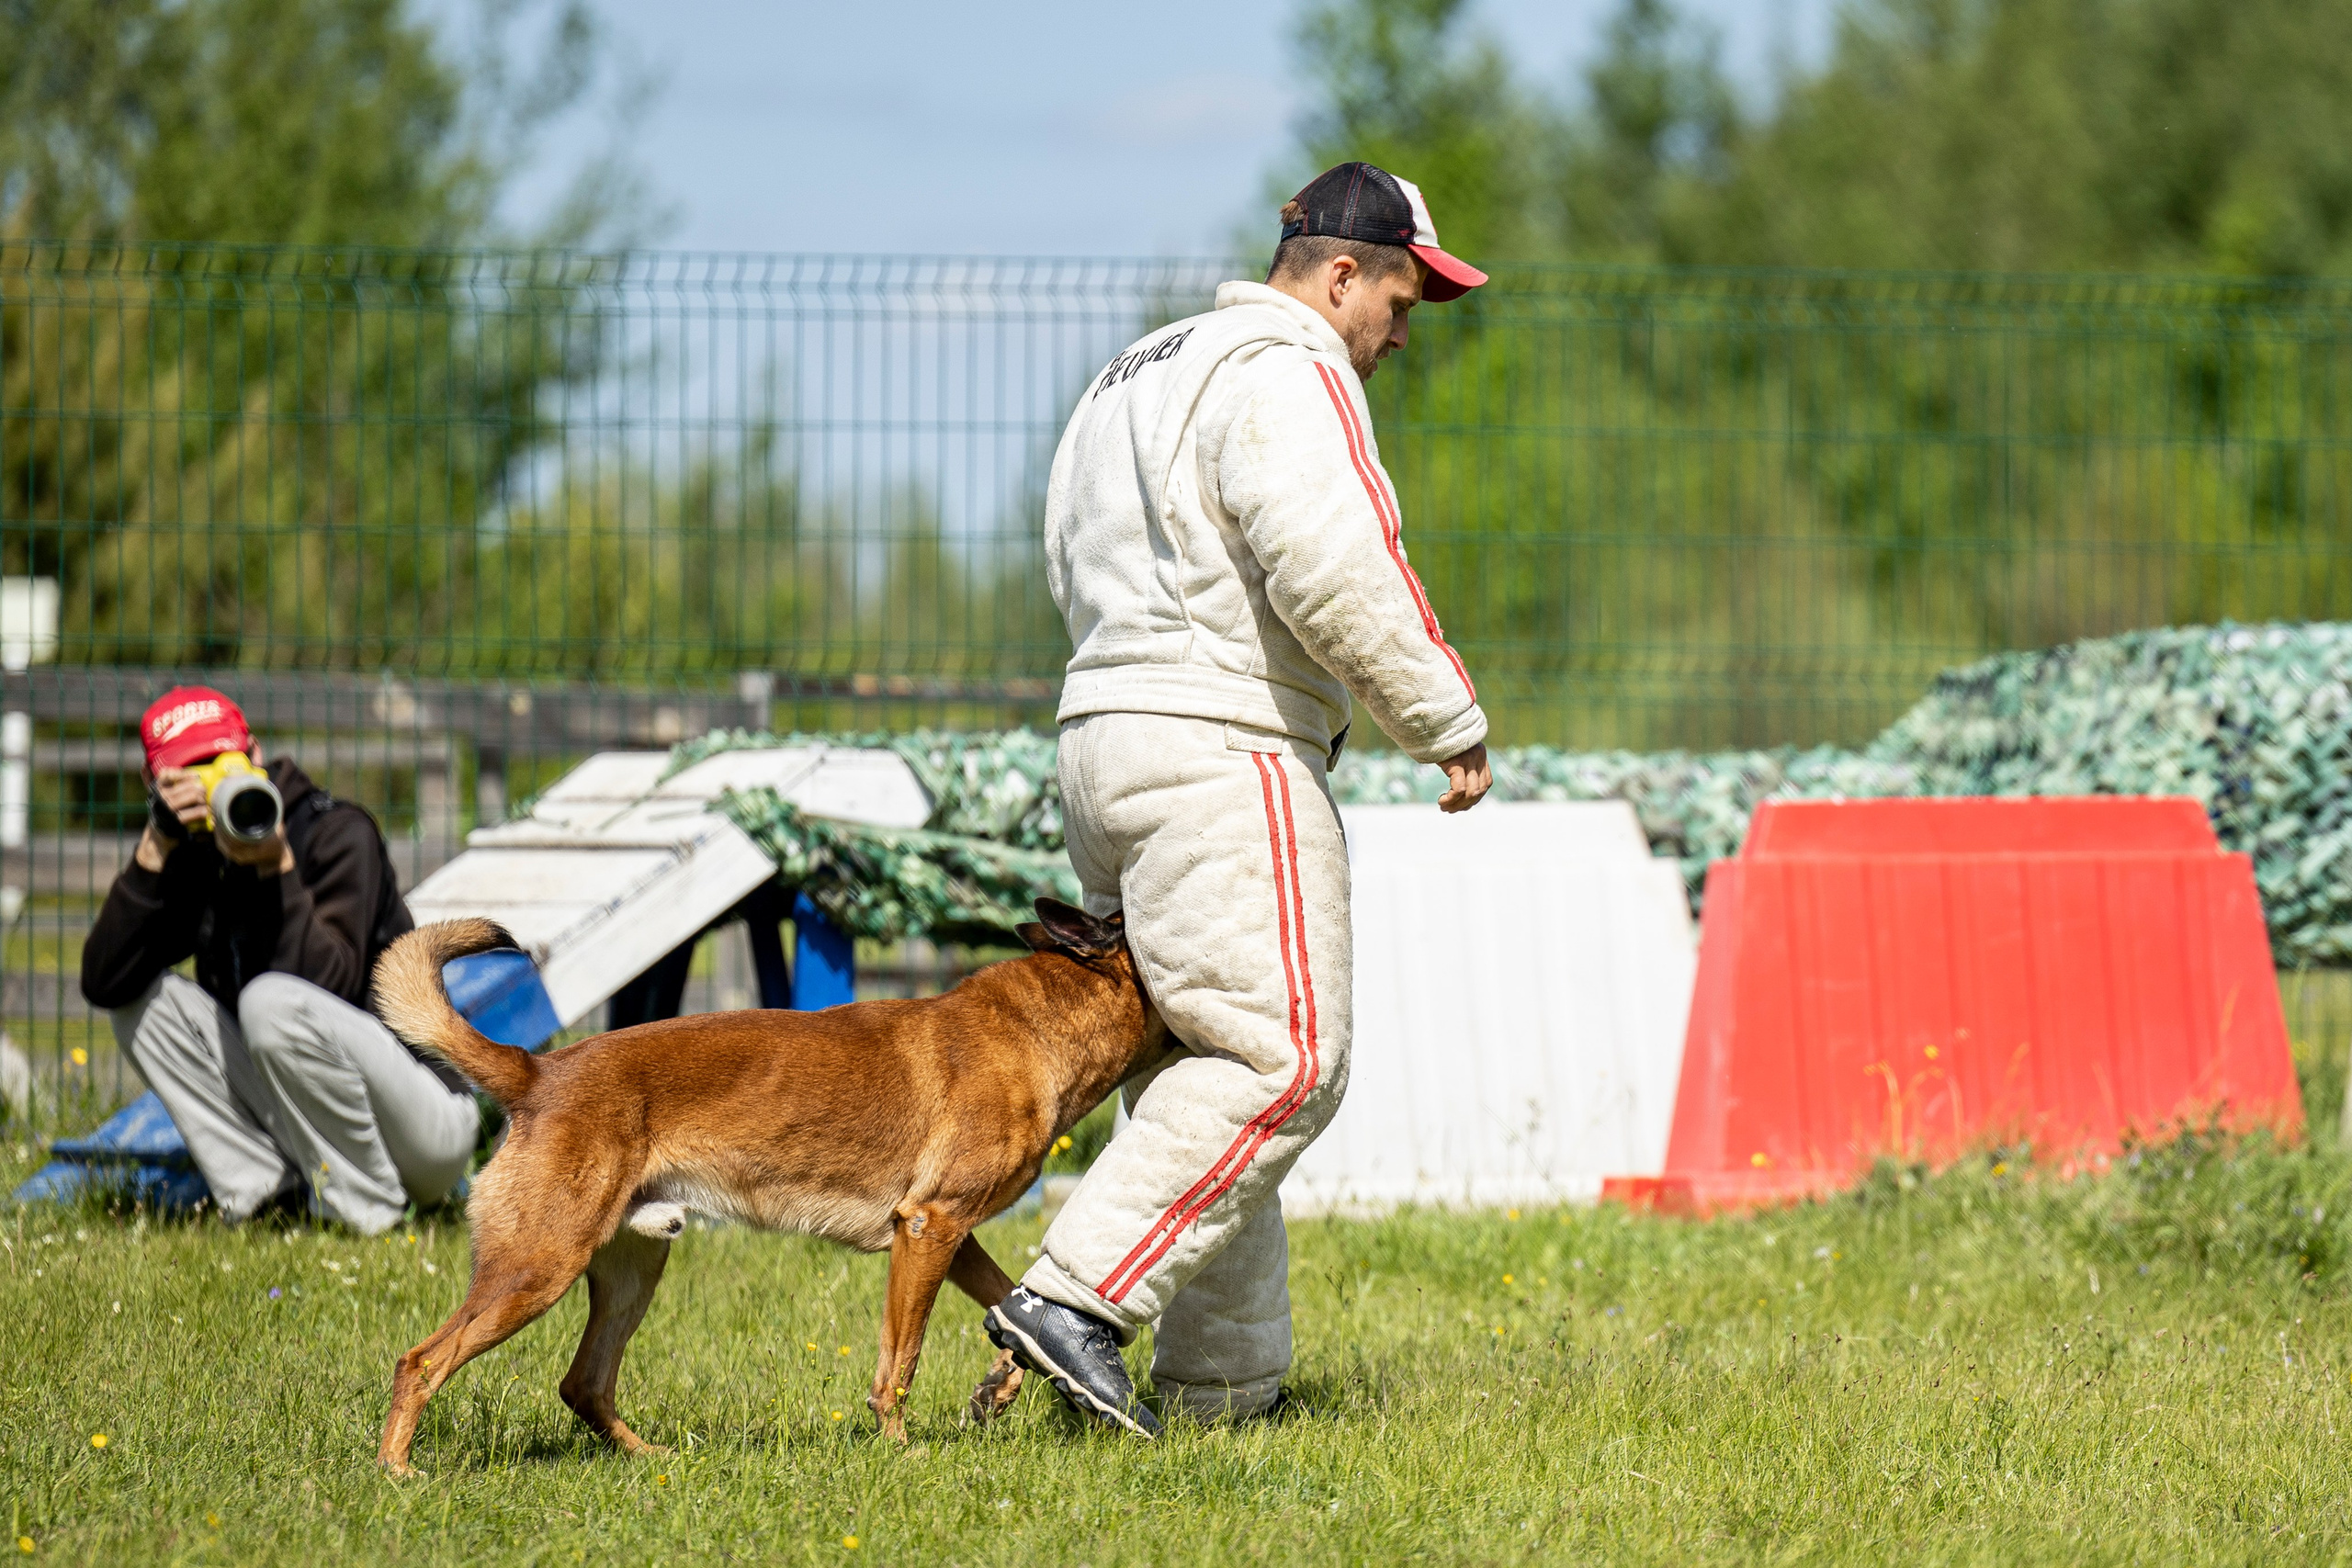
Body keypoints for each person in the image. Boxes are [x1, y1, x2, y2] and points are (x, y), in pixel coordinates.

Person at [984, 163, 1494, 1433]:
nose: (1403, 329)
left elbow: (1063, 550)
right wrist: (1445, 717)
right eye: (1401, 295)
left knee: (1203, 1059)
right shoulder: (1290, 368)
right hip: (1225, 745)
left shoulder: (1134, 371)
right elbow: (1334, 562)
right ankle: (1072, 1300)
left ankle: (1221, 1390)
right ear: (1338, 275)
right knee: (1286, 1058)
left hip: (1102, 736)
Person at [79, 686, 479, 1234]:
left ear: (255, 757)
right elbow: (105, 982)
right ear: (155, 786)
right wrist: (155, 848)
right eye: (188, 774)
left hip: (424, 1116)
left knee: (269, 1002)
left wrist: (278, 870)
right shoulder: (192, 854)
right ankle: (267, 1195)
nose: (211, 786)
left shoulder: (339, 833)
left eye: (221, 763)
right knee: (139, 1005)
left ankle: (368, 1211)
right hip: (309, 1119)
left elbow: (329, 992)